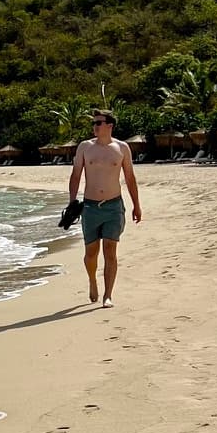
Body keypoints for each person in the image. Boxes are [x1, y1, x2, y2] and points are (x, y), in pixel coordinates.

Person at [68, 110, 141, 306]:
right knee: (91, 253)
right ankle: (92, 280)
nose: (95, 126)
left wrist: (136, 205)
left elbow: (130, 178)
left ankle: (108, 295)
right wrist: (72, 201)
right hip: (90, 207)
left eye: (99, 123)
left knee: (110, 250)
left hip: (114, 206)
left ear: (110, 125)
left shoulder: (122, 148)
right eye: (94, 123)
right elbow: (75, 176)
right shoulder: (85, 147)